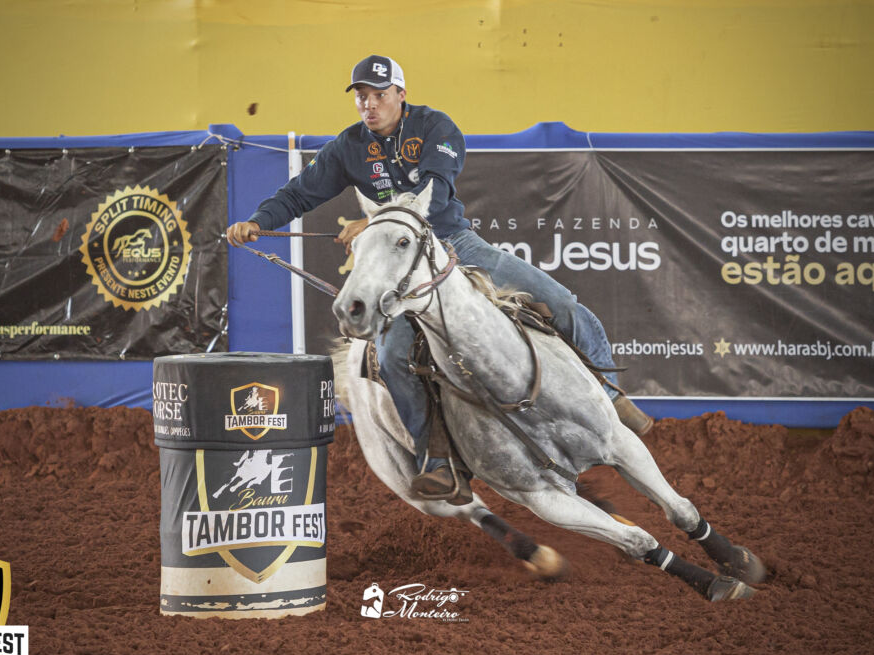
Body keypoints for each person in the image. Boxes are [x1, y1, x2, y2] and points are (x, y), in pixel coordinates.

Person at [227, 54, 653, 505]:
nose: (369, 105)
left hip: (453, 245)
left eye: (379, 95)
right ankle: (437, 460)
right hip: (400, 267)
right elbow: (299, 191)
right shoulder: (348, 147)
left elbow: (437, 186)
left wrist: (376, 224)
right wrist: (259, 219)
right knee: (391, 358)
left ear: (400, 95)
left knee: (561, 302)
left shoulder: (436, 128)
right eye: (362, 97)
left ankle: (609, 396)